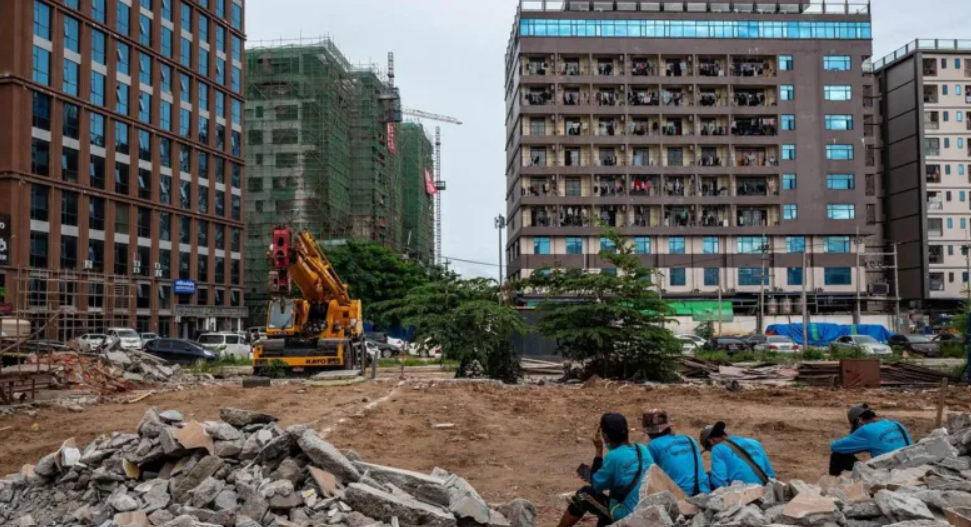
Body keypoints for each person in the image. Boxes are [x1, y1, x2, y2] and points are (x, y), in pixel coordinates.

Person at [558, 413, 654, 527]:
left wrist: (598, 452)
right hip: (649, 511)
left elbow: (597, 485)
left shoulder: (613, 456)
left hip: (629, 515)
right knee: (605, 509)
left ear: (605, 436)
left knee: (584, 495)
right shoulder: (642, 449)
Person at [829, 404, 913, 476]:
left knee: (837, 455)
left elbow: (835, 446)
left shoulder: (866, 430)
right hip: (912, 468)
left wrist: (856, 446)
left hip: (887, 475)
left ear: (859, 421)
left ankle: (832, 486)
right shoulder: (897, 424)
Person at [643, 409, 710, 497]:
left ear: (649, 432)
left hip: (680, 497)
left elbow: (648, 475)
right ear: (669, 426)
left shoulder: (653, 445)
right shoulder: (690, 440)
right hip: (704, 492)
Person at [700, 421, 776, 490]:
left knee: (710, 478)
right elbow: (771, 474)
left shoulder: (717, 449)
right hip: (764, 488)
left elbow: (719, 482)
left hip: (744, 494)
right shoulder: (754, 442)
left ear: (711, 441)